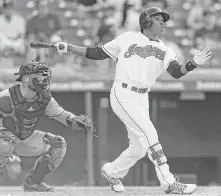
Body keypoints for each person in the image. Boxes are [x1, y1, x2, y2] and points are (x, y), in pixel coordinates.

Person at [54, 7, 211, 194]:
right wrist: (70, 47)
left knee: (138, 149)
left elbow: (177, 72)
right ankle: (168, 182)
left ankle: (111, 171)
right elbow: (97, 53)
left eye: (164, 20)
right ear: (145, 22)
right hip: (123, 93)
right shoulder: (128, 38)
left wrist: (193, 63)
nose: (163, 22)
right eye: (158, 19)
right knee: (150, 134)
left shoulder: (165, 49)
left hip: (143, 96)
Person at [0, 61, 94, 192]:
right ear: (26, 78)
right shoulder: (6, 96)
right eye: (39, 76)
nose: (43, 80)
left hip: (25, 139)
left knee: (58, 145)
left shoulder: (45, 98)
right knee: (6, 141)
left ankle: (33, 183)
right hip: (3, 138)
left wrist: (74, 119)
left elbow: (61, 114)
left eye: (45, 76)